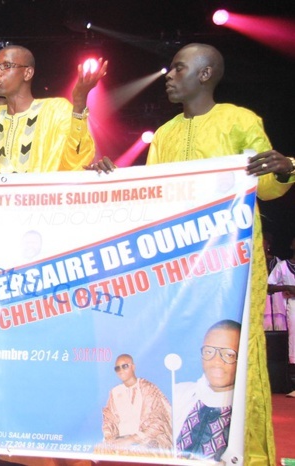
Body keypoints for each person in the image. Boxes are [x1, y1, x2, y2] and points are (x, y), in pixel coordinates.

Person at [146, 42, 295, 465]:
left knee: (236, 350)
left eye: (178, 68)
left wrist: (285, 168)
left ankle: (244, 454)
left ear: (205, 73)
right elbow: (150, 195)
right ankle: (182, 450)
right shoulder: (164, 134)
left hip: (233, 263)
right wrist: (110, 179)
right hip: (179, 265)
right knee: (181, 347)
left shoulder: (239, 121)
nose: (169, 76)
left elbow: (267, 187)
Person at [0, 44, 109, 175]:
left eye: (6, 66)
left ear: (27, 73)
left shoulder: (56, 111)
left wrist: (79, 102)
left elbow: (75, 160)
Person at [174, 320, 241, 461]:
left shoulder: (246, 412)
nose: (216, 361)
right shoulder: (179, 394)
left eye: (228, 354)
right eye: (209, 352)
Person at [95, 354, 172, 456]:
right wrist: (110, 439)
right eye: (117, 368)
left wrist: (132, 439)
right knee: (100, 449)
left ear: (133, 367)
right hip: (122, 439)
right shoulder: (115, 392)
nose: (121, 370)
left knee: (143, 450)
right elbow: (109, 420)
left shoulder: (148, 388)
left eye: (124, 366)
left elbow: (158, 421)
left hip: (145, 438)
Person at [267, 236, 295, 397]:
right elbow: (269, 286)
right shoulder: (283, 266)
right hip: (293, 306)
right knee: (294, 344)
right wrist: (286, 287)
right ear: (291, 245)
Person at [263, 232, 286, 331]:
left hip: (278, 303)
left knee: (280, 327)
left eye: (263, 242)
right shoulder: (253, 263)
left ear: (268, 245)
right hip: (261, 305)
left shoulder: (278, 262)